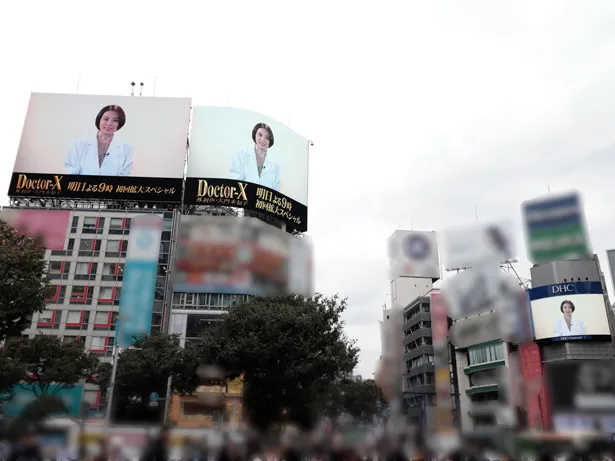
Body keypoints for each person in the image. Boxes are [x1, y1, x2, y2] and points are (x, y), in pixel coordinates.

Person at [64, 104, 133, 176]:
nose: (109, 123)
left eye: (115, 120)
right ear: (99, 120)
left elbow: (124, 177)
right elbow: (71, 173)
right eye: (106, 119)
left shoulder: (126, 148)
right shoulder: (78, 145)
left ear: (119, 124)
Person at [230, 122, 280, 191]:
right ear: (255, 135)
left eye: (267, 137)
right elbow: (235, 183)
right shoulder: (241, 155)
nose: (263, 139)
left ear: (270, 141)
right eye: (260, 135)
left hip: (263, 201)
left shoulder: (275, 166)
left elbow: (276, 191)